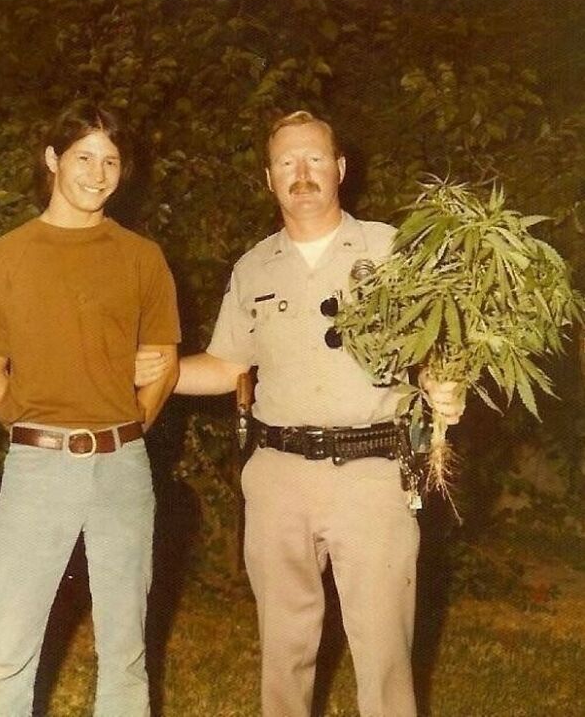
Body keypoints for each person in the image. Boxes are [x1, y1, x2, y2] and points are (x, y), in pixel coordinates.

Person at [137, 110, 464, 717]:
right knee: (283, 651)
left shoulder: (390, 249)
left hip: (374, 472)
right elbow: (227, 362)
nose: (302, 173)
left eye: (315, 158)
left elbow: (440, 342)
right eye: (287, 162)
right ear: (269, 178)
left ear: (340, 169)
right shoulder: (253, 267)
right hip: (277, 474)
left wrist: (445, 382)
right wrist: (156, 370)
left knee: (385, 651)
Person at [0, 100, 180, 717]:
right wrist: (35, 430)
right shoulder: (4, 256)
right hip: (37, 468)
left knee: (125, 648)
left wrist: (127, 428)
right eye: (84, 156)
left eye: (111, 160)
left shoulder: (142, 257)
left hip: (122, 468)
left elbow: (161, 362)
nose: (98, 172)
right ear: (53, 159)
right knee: (9, 644)